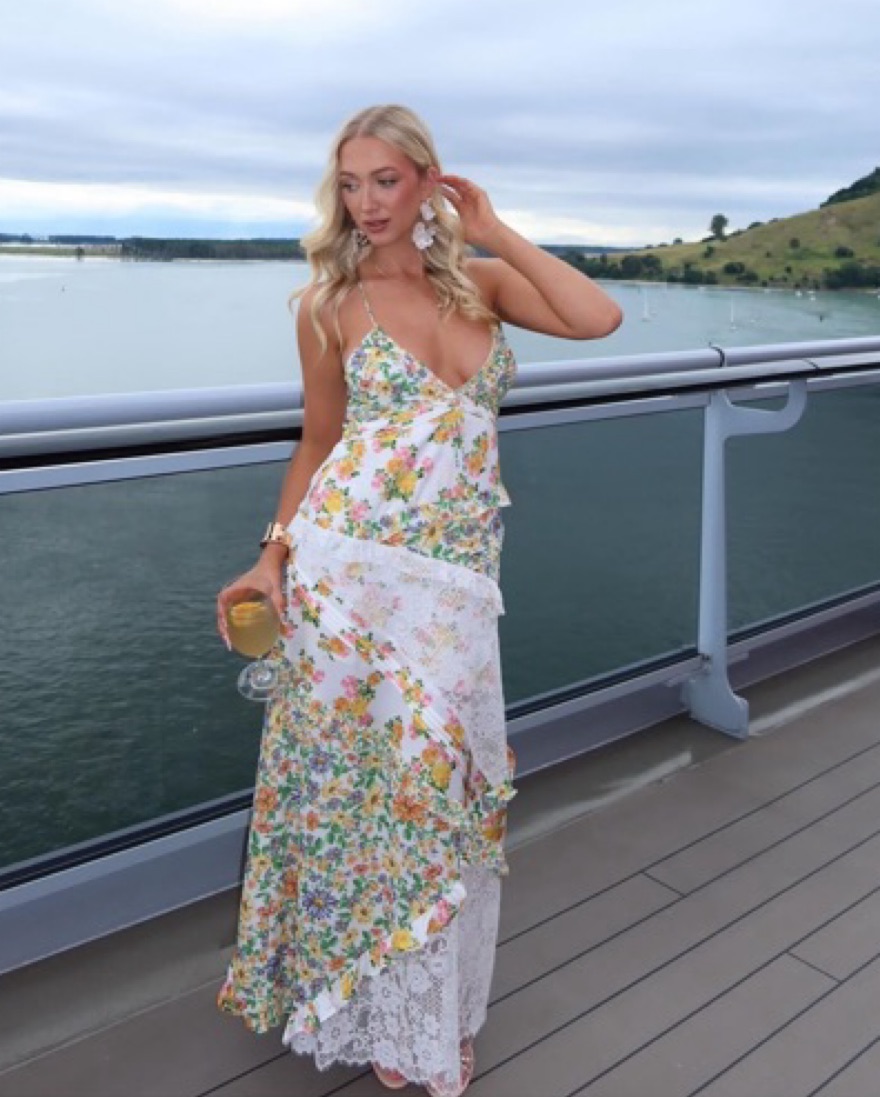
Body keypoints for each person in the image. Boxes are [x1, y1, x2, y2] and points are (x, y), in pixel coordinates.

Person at [215, 103, 622, 1096]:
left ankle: (434, 1013)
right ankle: (377, 1010)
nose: (366, 202)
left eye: (386, 180)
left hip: (453, 592)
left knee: (440, 800)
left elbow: (597, 317)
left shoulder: (483, 282)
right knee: (357, 801)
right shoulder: (329, 303)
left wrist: (495, 230)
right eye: (351, 184)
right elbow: (319, 443)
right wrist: (271, 560)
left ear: (428, 181)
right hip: (345, 576)